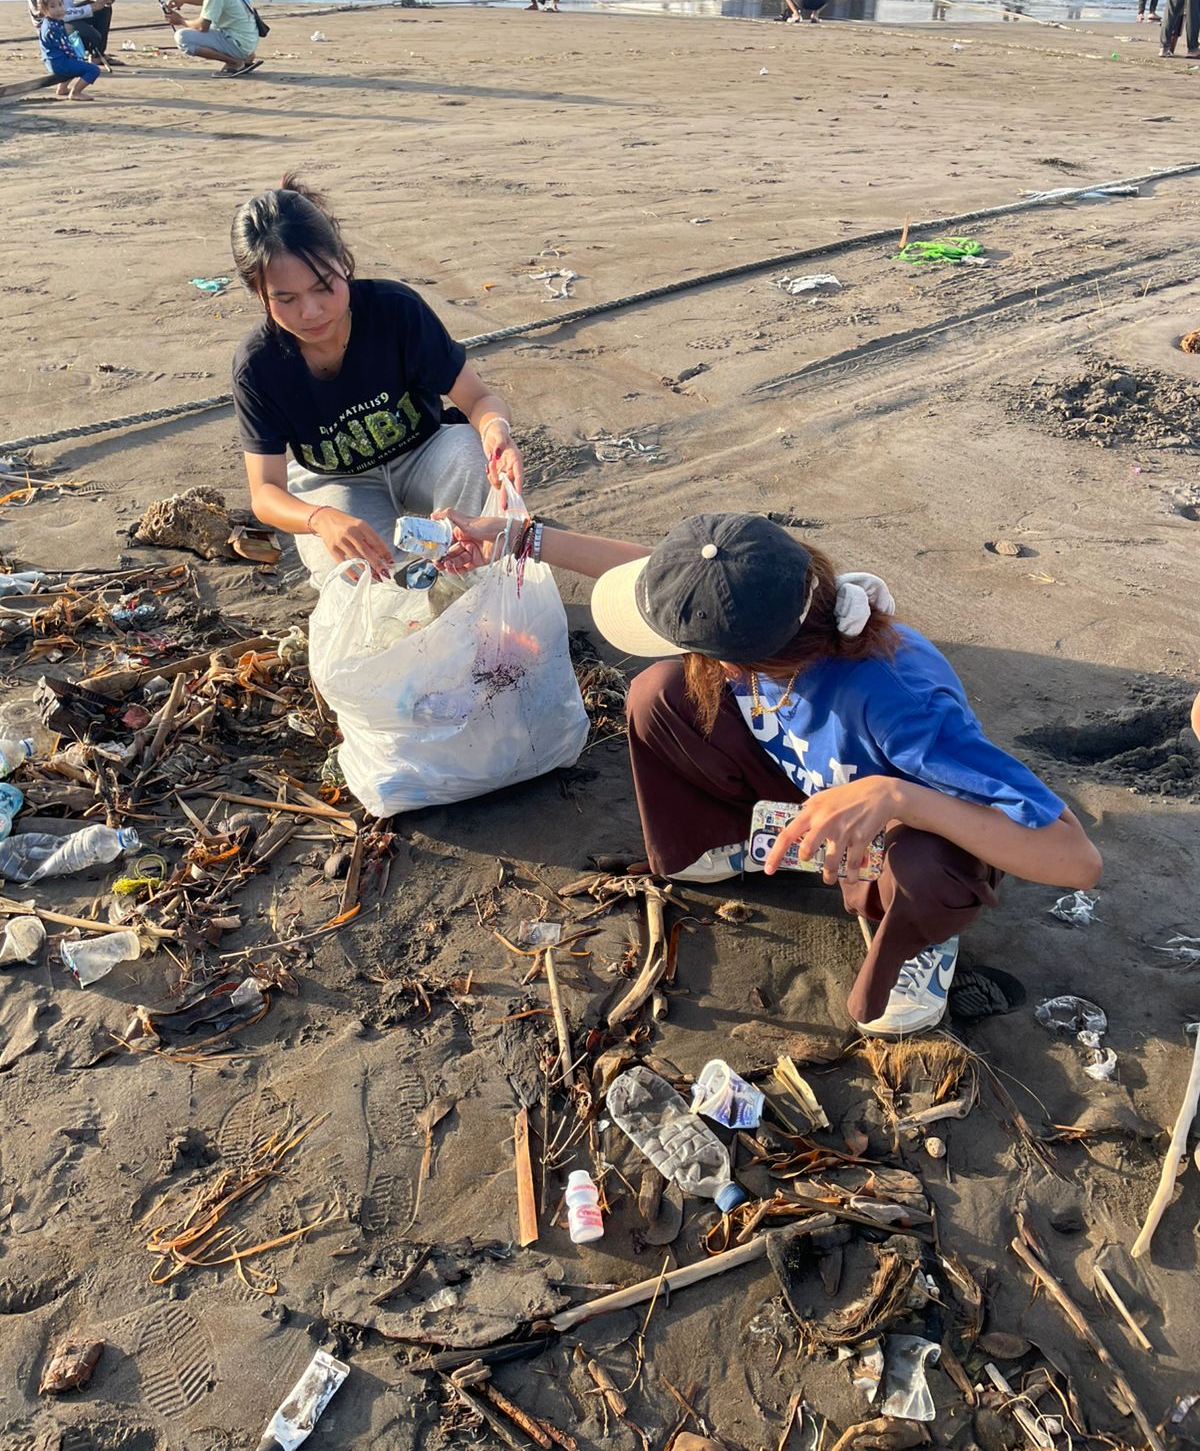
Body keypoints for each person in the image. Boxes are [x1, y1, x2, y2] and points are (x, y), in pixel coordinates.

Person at [435, 510, 1102, 1037]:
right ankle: (726, 843)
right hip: (810, 780)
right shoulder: (766, 605)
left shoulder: (902, 705)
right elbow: (660, 580)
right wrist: (519, 536)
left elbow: (1077, 860)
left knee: (930, 864)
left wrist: (901, 797)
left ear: (743, 657)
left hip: (898, 824)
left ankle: (916, 935)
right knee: (659, 693)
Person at [229, 176, 524, 588]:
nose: (311, 312)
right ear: (260, 295)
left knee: (469, 451)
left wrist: (498, 433)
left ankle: (468, 581)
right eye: (286, 299)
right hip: (336, 483)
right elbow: (266, 493)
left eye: (323, 286)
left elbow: (478, 399)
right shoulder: (257, 366)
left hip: (424, 453)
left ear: (343, 263)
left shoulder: (395, 311)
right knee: (360, 576)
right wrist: (320, 518)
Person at [35, 0, 103, 103]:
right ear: (44, 10)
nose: (58, 9)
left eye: (60, 4)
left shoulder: (54, 22)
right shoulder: (51, 28)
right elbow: (63, 46)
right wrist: (77, 57)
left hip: (55, 61)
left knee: (76, 61)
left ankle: (62, 88)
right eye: (52, 6)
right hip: (59, 64)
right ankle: (76, 92)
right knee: (93, 70)